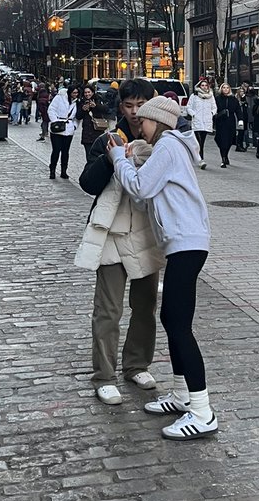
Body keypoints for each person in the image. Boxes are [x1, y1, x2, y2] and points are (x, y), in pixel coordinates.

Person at [108, 95, 217, 441]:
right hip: (183, 242)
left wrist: (117, 159)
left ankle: (202, 411)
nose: (140, 124)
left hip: (186, 242)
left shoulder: (169, 146)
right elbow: (145, 193)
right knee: (172, 320)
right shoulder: (169, 147)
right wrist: (134, 159)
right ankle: (183, 393)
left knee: (179, 324)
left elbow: (139, 187)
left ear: (160, 122)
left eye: (144, 120)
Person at [79, 78, 159, 403]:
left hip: (147, 230)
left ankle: (137, 364)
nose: (136, 112)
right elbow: (87, 182)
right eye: (129, 106)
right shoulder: (109, 138)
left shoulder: (162, 139)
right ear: (121, 107)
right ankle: (104, 374)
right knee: (108, 308)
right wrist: (110, 158)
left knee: (145, 305)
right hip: (112, 231)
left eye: (141, 105)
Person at [48, 83, 78, 179]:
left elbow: (77, 117)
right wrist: (55, 121)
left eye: (77, 93)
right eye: (74, 93)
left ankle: (63, 171)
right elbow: (51, 109)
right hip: (57, 128)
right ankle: (52, 170)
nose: (75, 94)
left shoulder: (77, 102)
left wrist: (74, 126)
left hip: (69, 129)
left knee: (65, 151)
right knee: (56, 150)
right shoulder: (59, 98)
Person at [186, 79, 216, 168]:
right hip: (197, 121)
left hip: (206, 122)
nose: (204, 87)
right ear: (199, 86)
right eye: (202, 85)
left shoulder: (211, 96)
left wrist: (211, 113)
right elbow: (189, 107)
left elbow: (214, 107)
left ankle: (198, 157)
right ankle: (200, 159)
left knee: (202, 142)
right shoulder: (194, 96)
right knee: (198, 141)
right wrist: (193, 114)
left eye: (205, 85)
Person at [212, 82, 241, 168]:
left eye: (227, 88)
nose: (225, 89)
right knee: (221, 140)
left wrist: (240, 119)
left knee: (229, 140)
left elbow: (238, 110)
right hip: (221, 122)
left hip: (230, 122)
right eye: (224, 87)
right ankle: (223, 158)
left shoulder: (234, 99)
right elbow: (214, 109)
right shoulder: (217, 99)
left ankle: (226, 154)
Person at [79, 83, 108, 152]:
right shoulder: (82, 102)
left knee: (98, 154)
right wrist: (83, 110)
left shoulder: (98, 99)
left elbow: (105, 110)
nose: (87, 94)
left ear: (92, 92)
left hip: (98, 131)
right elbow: (78, 116)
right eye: (85, 92)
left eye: (89, 92)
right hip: (87, 133)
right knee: (89, 156)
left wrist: (95, 106)